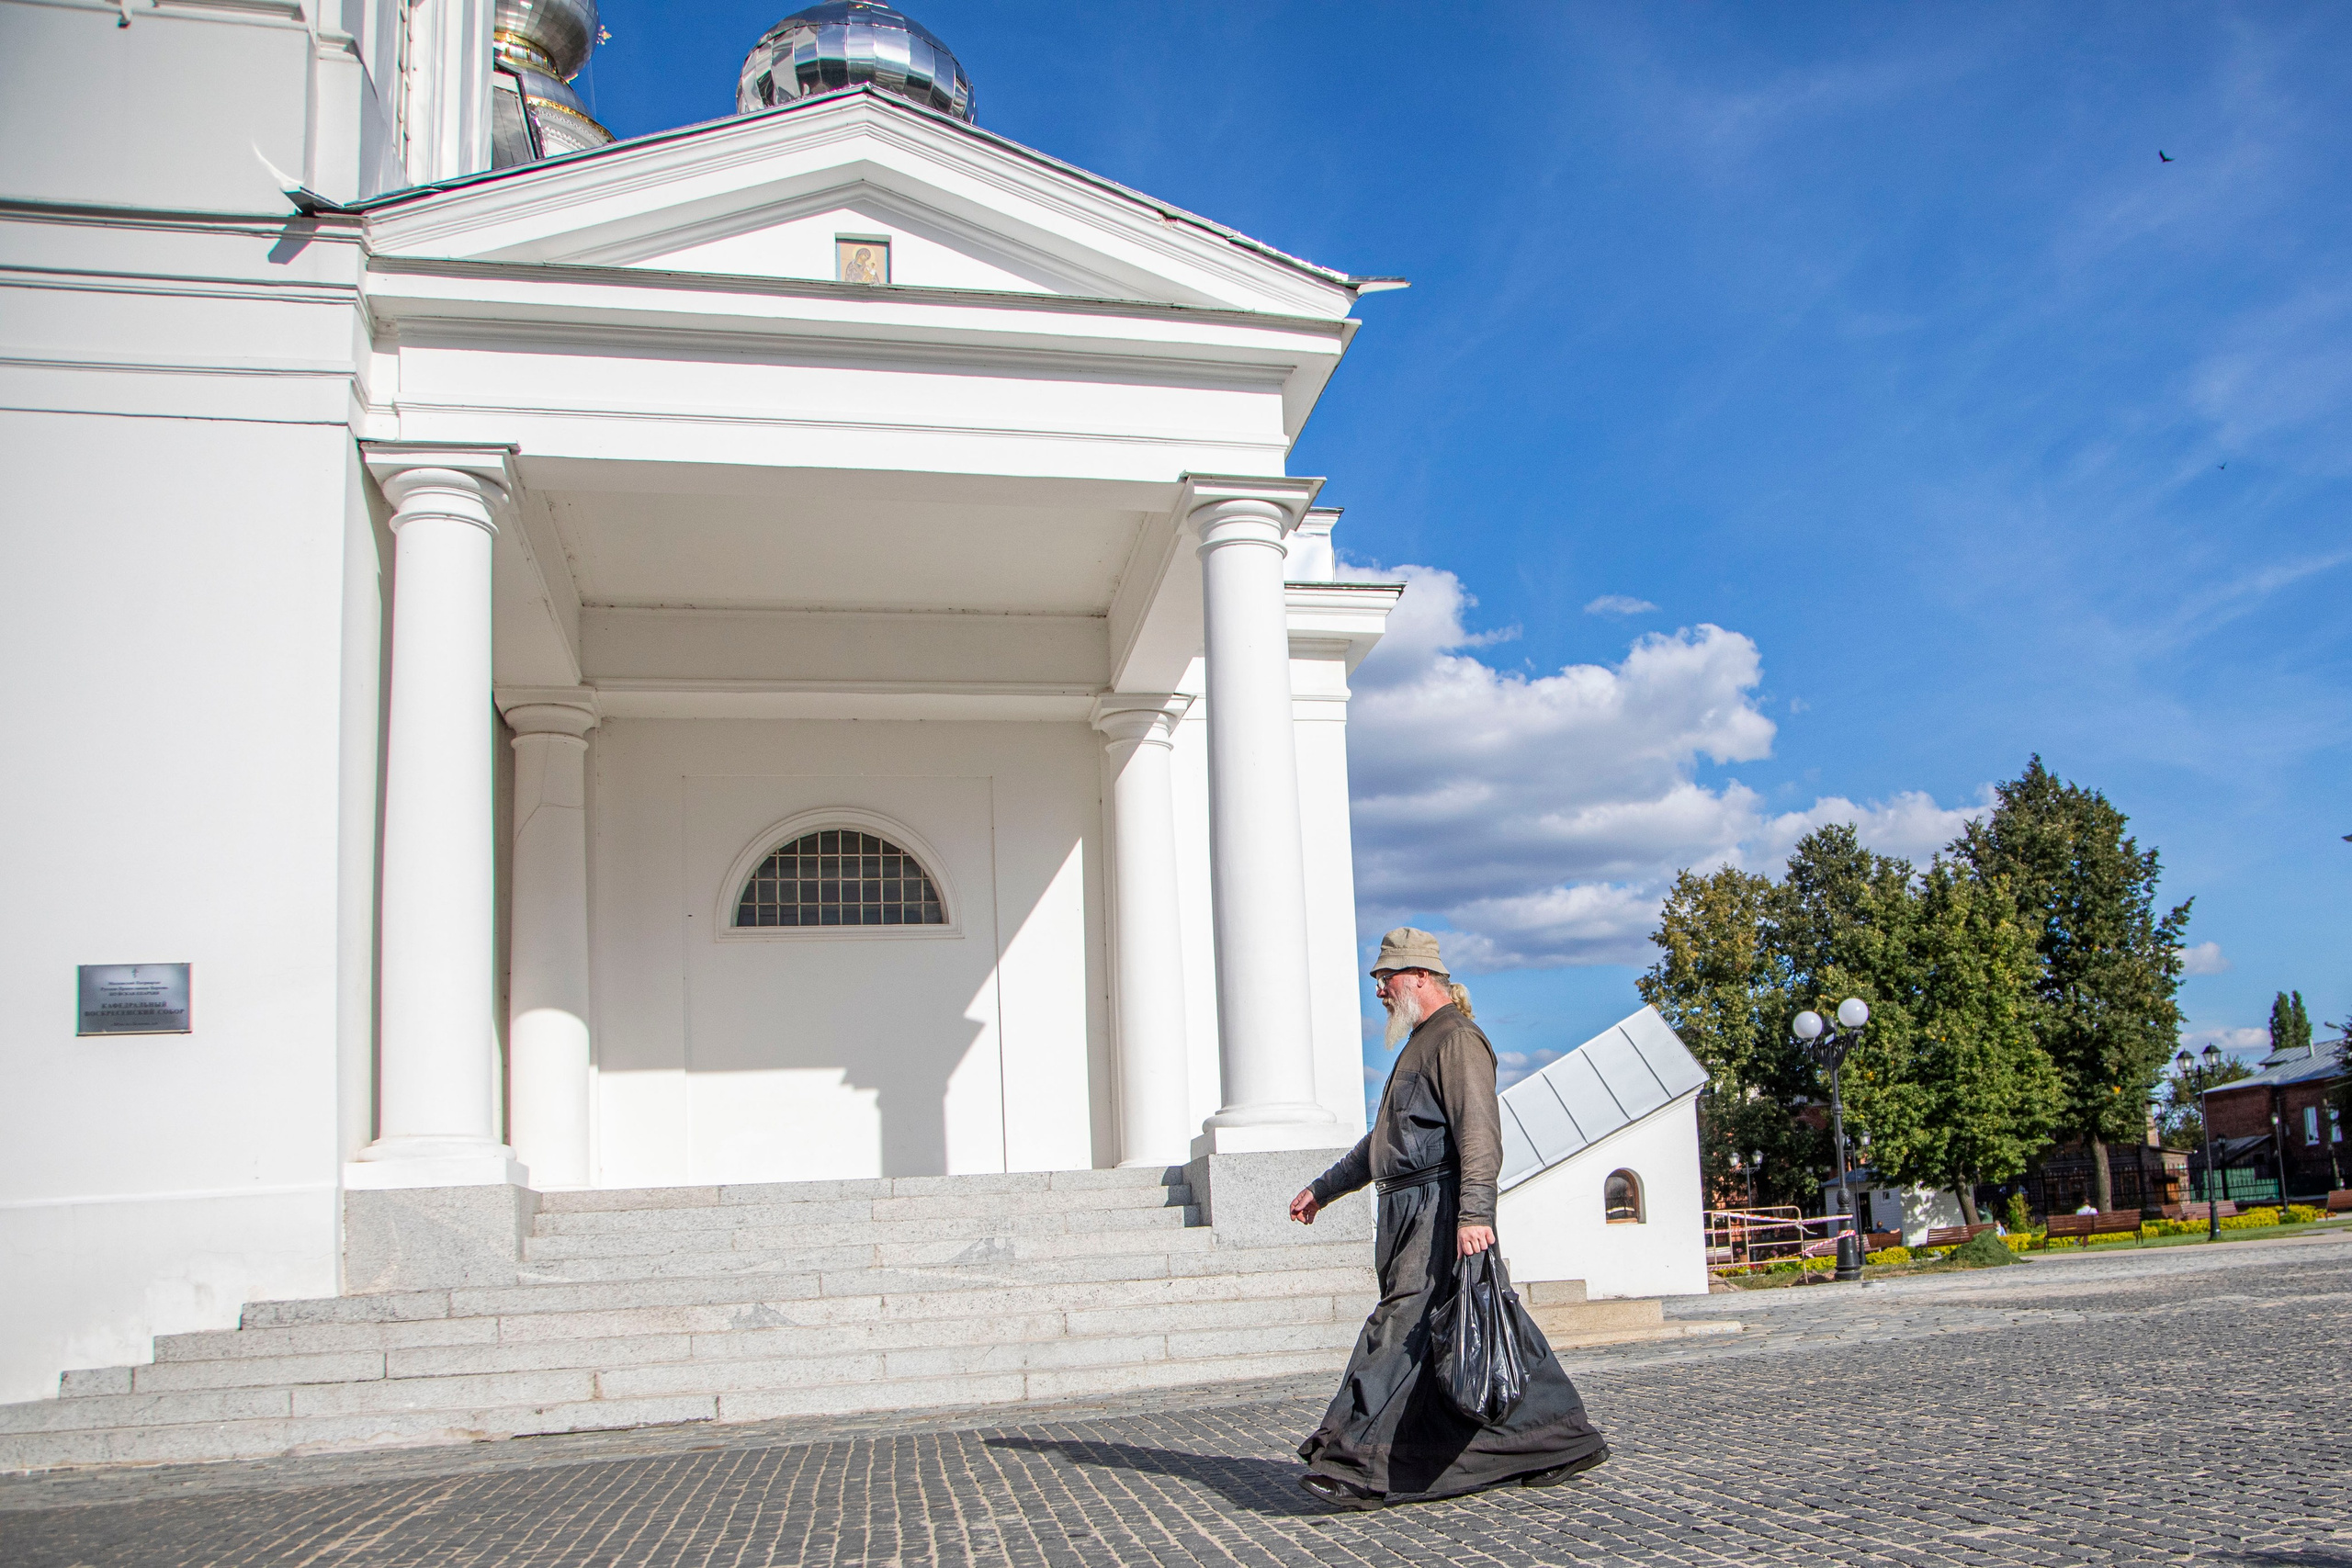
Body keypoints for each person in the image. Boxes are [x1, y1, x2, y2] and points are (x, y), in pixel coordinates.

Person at [1288, 927, 1611, 1509]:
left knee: (1399, 1326)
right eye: (1378, 980)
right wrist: (1323, 1189)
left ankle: (1351, 1459)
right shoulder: (1420, 1041)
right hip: (1408, 1210)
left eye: (1386, 978)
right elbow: (1380, 1143)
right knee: (1480, 1322)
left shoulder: (1456, 1039)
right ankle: (1553, 1438)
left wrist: (1475, 1213)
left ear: (1419, 976)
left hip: (1441, 1208)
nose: (1380, 989)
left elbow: (1480, 1131)